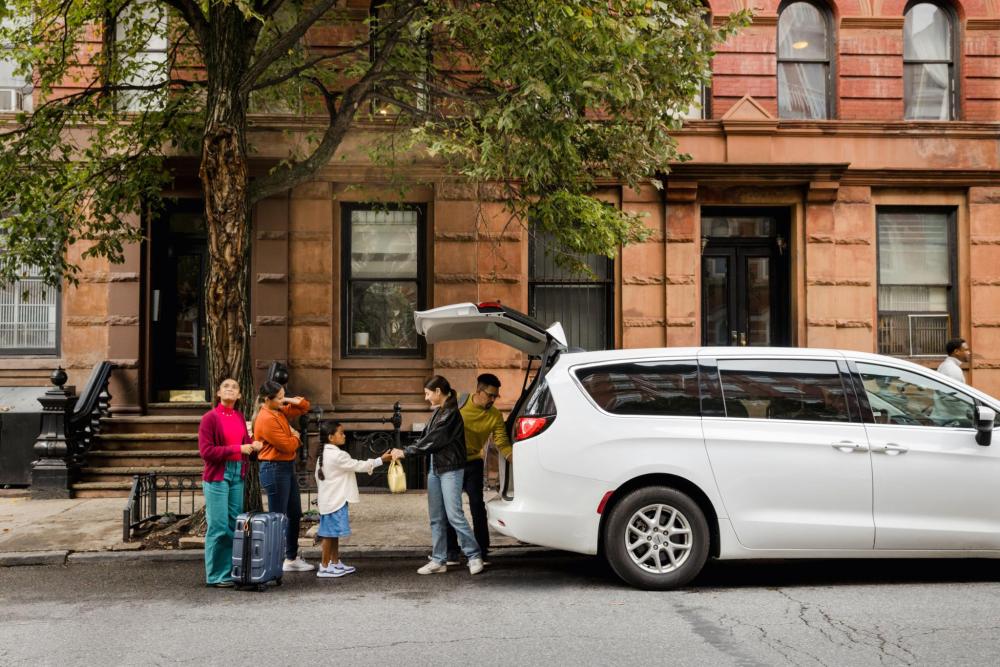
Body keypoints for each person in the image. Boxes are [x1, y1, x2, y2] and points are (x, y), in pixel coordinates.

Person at [391, 375, 484, 576]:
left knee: (454, 515)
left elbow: (433, 440)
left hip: (451, 469)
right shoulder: (440, 411)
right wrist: (408, 449)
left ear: (438, 392)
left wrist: (406, 452)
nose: (426, 397)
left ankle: (474, 555)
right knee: (436, 517)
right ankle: (439, 560)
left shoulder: (450, 413)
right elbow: (427, 437)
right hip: (435, 468)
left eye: (427, 393)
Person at [197, 378, 262, 588]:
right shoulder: (210, 418)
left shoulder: (239, 416)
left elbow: (244, 445)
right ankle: (215, 575)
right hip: (217, 475)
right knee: (217, 525)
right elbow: (206, 452)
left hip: (237, 474)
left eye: (234, 387)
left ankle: (230, 571)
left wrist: (253, 445)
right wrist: (238, 449)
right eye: (226, 386)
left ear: (240, 395)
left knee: (235, 524)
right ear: (218, 393)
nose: (230, 389)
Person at [444, 373, 512, 565]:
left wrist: (515, 459)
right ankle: (451, 552)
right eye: (490, 395)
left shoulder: (495, 415)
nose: (493, 399)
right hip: (451, 463)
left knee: (477, 506)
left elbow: (502, 442)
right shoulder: (459, 402)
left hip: (473, 462)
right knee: (451, 507)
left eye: (495, 396)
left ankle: (481, 552)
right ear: (479, 391)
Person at [314, 421, 392, 578]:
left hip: (332, 500)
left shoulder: (326, 455)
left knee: (333, 533)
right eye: (341, 433)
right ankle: (324, 566)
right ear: (331, 437)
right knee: (329, 534)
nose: (344, 435)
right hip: (335, 500)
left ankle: (334, 562)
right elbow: (358, 465)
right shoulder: (337, 455)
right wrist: (380, 460)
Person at [253, 380, 313, 572]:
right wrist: (296, 436)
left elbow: (304, 406)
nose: (282, 400)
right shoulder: (266, 418)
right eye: (278, 397)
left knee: (294, 514)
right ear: (266, 399)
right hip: (274, 468)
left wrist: (284, 398)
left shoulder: (278, 410)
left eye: (283, 396)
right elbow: (287, 446)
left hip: (286, 467)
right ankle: (274, 561)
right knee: (277, 518)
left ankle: (291, 558)